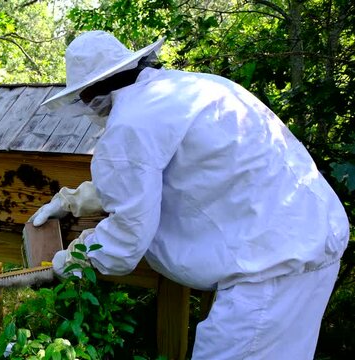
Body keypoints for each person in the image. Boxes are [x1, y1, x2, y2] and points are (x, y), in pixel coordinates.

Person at [29, 30, 350, 359]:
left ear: (90, 94)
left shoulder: (130, 123)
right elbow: (175, 173)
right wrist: (73, 200)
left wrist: (72, 258)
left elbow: (127, 238)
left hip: (267, 274)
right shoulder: (195, 87)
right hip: (310, 241)